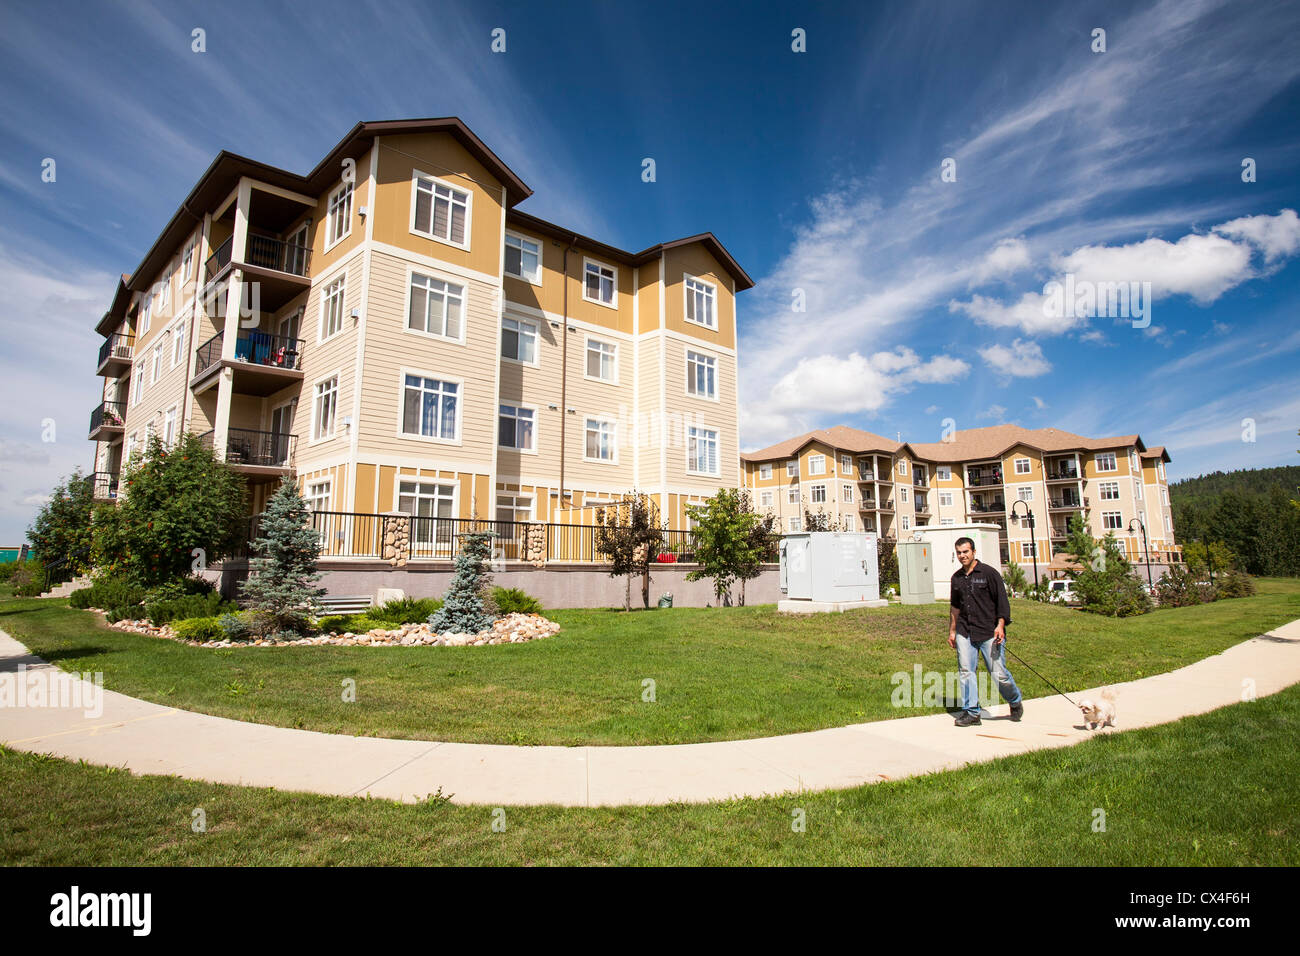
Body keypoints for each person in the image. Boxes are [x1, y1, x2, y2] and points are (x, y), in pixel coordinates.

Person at [948, 537, 1023, 726]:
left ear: (973, 552)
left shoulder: (989, 573)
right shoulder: (956, 578)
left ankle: (1014, 701)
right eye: (959, 552)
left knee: (998, 672)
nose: (962, 555)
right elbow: (955, 607)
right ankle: (972, 712)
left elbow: (1002, 602)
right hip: (965, 631)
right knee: (966, 671)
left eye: (965, 551)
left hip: (989, 632)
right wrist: (952, 631)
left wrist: (1000, 625)